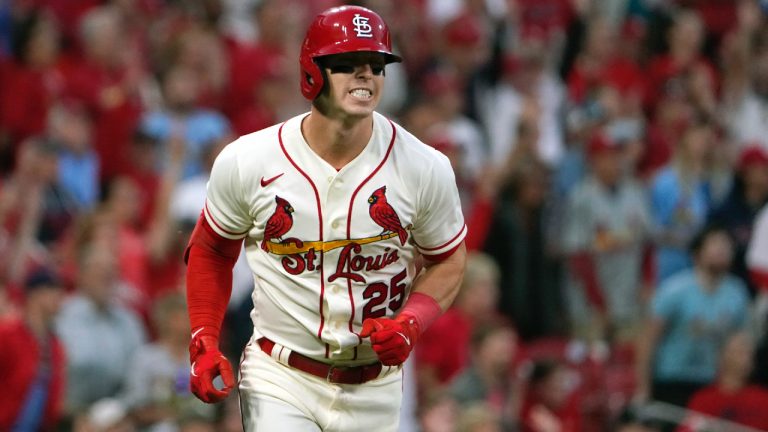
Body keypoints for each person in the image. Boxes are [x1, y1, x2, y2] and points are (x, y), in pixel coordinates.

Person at [184, 5, 467, 432]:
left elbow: (448, 258)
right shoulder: (250, 159)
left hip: (376, 386)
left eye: (376, 65)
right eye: (347, 65)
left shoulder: (424, 166)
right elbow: (210, 248)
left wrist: (412, 321)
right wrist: (204, 337)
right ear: (312, 74)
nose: (365, 76)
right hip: (282, 375)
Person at [635, 225, 750, 414]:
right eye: (715, 245)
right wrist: (643, 388)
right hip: (671, 380)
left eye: (726, 246)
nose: (722, 250)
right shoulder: (674, 291)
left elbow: (740, 343)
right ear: (697, 253)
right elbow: (648, 340)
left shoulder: (737, 294)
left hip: (711, 383)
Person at [0, 268, 66, 431]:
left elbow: (52, 406)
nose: (59, 297)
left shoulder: (55, 346)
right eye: (52, 290)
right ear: (34, 294)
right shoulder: (6, 335)